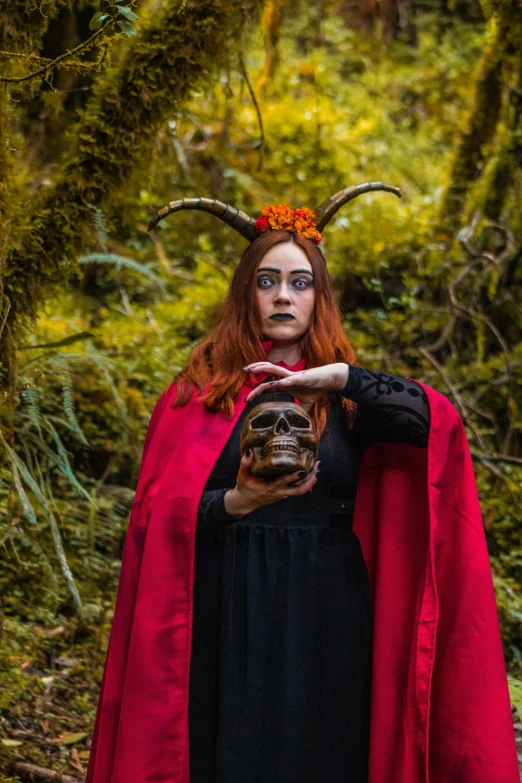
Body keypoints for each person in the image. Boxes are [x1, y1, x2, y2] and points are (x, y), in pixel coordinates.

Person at [86, 186, 519, 783]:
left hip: (328, 615)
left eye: (299, 282)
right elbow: (160, 516)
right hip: (225, 607)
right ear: (246, 293)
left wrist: (342, 378)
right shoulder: (197, 394)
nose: (283, 296)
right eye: (266, 281)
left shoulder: (349, 402)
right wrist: (238, 502)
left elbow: (432, 422)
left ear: (320, 295)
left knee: (323, 754)